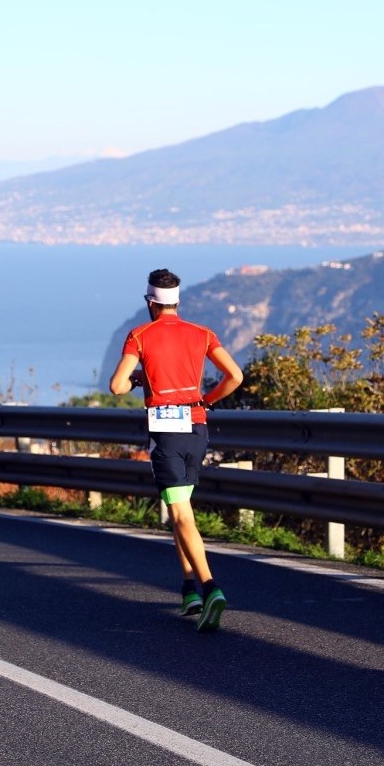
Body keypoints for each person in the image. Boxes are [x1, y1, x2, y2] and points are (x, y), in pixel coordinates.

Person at [109, 268, 244, 633]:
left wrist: (139, 378)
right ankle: (189, 590)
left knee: (181, 514)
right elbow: (235, 376)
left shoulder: (140, 335)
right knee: (179, 506)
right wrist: (207, 401)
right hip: (197, 429)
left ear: (150, 303)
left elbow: (117, 386)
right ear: (176, 302)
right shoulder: (202, 334)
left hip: (165, 433)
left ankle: (210, 587)